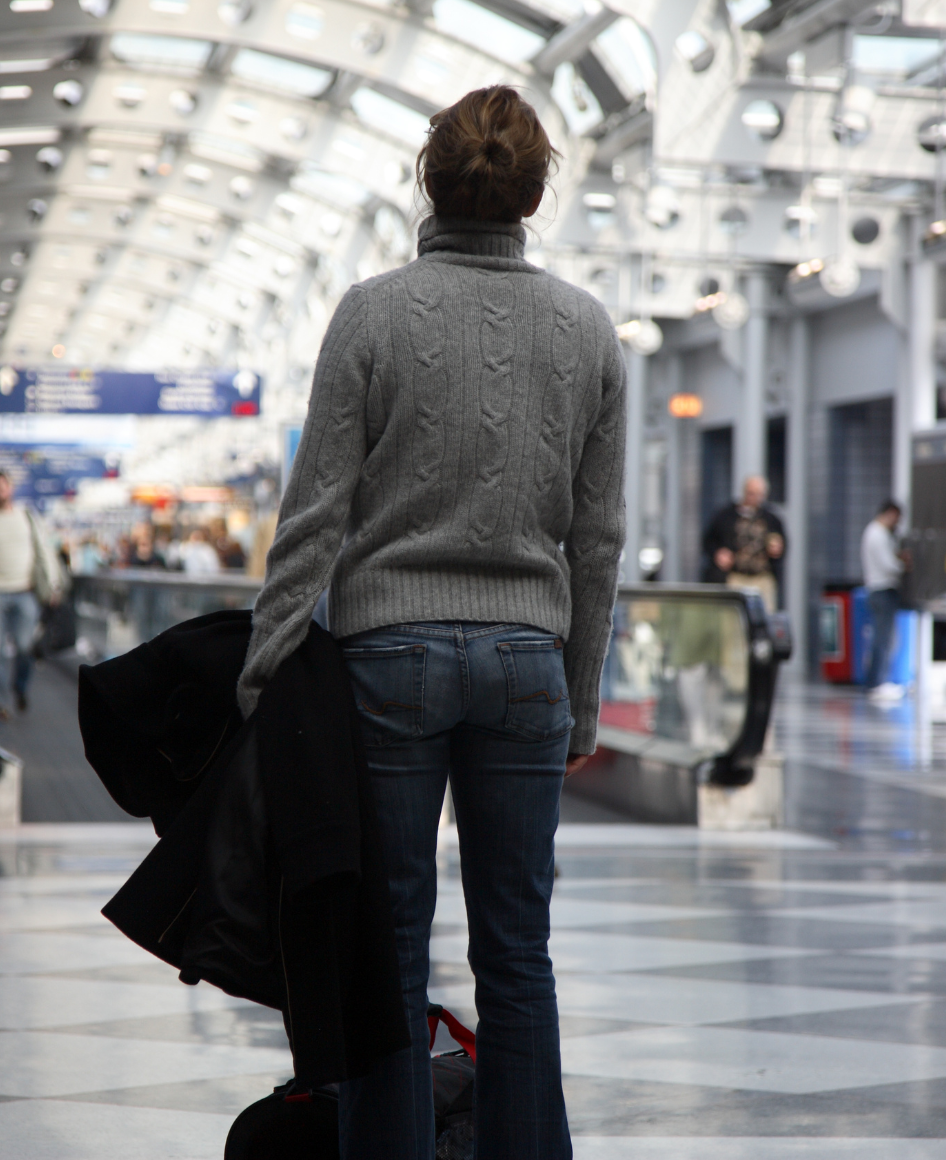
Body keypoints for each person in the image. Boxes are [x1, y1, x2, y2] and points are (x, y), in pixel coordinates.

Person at [236, 85, 625, 1160]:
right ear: (534, 194)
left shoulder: (372, 313)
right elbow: (598, 539)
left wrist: (263, 671)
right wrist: (581, 696)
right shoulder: (588, 330)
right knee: (518, 956)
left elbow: (313, 514)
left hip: (387, 663)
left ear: (429, 181)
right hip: (528, 664)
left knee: (390, 952)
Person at [0, 468, 64, 716]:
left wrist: (53, 584)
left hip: (26, 592)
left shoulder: (26, 515)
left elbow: (44, 551)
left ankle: (20, 686)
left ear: (10, 487)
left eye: (2, 486)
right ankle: (2, 701)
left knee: (25, 647)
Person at [702, 474, 785, 612]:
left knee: (764, 614)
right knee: (732, 614)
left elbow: (781, 545)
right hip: (735, 576)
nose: (755, 498)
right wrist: (718, 554)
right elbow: (709, 541)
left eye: (759, 494)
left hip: (762, 577)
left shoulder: (771, 519)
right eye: (752, 493)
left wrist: (777, 549)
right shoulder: (726, 516)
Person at [862, 499, 908, 703]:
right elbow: (888, 565)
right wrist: (904, 564)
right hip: (882, 590)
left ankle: (876, 681)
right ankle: (877, 682)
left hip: (878, 590)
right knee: (882, 639)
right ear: (890, 513)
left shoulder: (874, 532)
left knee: (883, 638)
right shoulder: (878, 534)